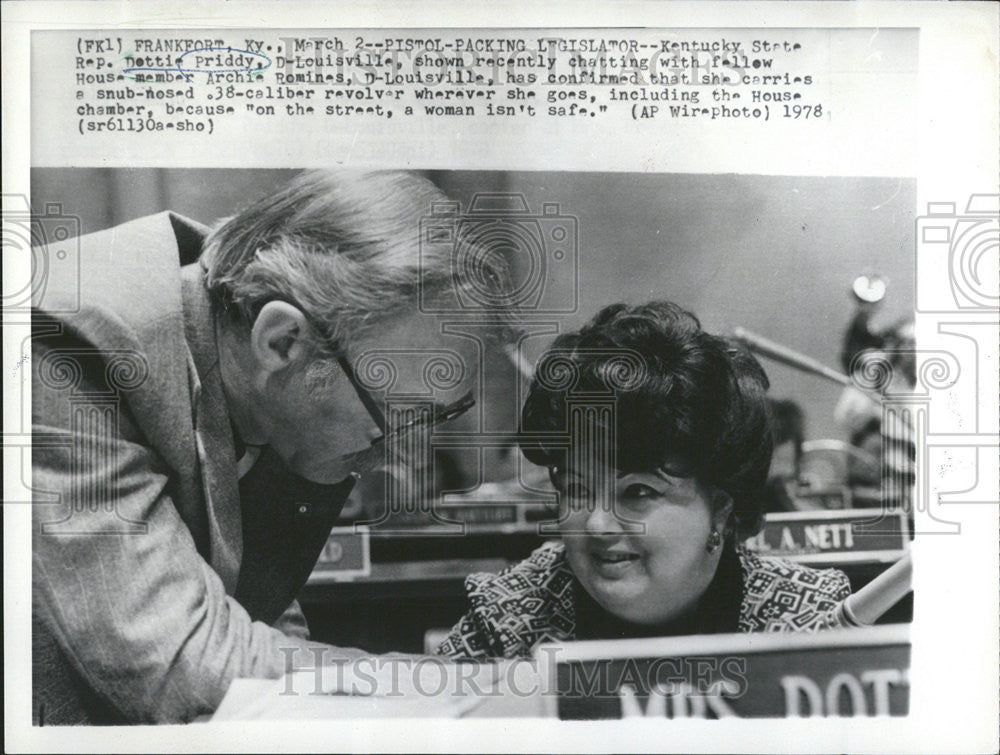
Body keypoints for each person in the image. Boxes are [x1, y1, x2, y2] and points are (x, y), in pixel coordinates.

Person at [31, 171, 511, 723]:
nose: (402, 453)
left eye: (442, 415)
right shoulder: (64, 343)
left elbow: (258, 619)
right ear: (282, 341)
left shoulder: (254, 374)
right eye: (398, 416)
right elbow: (184, 662)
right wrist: (465, 690)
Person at [435, 301, 852, 661]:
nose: (597, 525)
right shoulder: (508, 617)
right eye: (577, 491)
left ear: (722, 510)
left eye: (637, 492)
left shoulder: (811, 622)